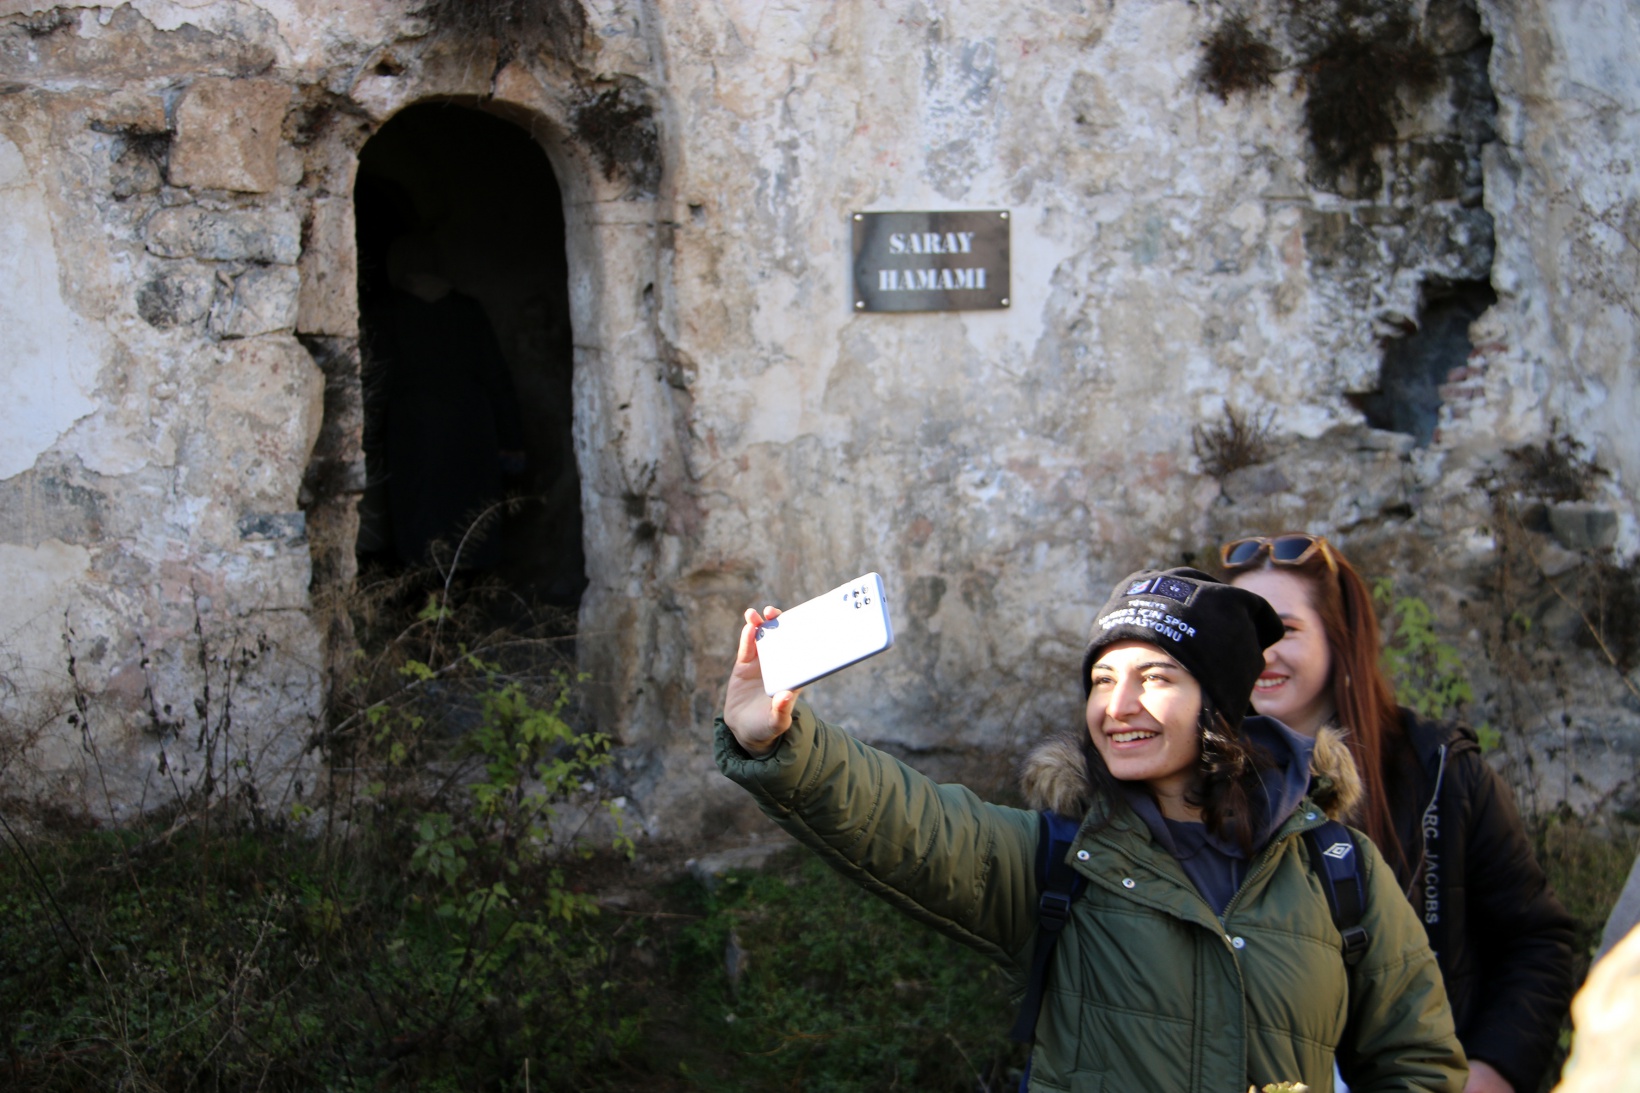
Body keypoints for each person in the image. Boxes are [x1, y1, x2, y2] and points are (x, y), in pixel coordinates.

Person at [717, 566, 1467, 1091]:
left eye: (1156, 678)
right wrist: (778, 742)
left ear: (1220, 704)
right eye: (1103, 680)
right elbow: (906, 822)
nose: (1118, 706)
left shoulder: (1336, 867)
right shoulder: (1061, 861)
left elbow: (1419, 1060)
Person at [1222, 534, 1576, 1093]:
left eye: (1285, 630)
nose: (1263, 653)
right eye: (1246, 633)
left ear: (1338, 635)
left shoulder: (1440, 772)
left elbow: (1536, 942)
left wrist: (1491, 1071)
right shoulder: (1203, 778)